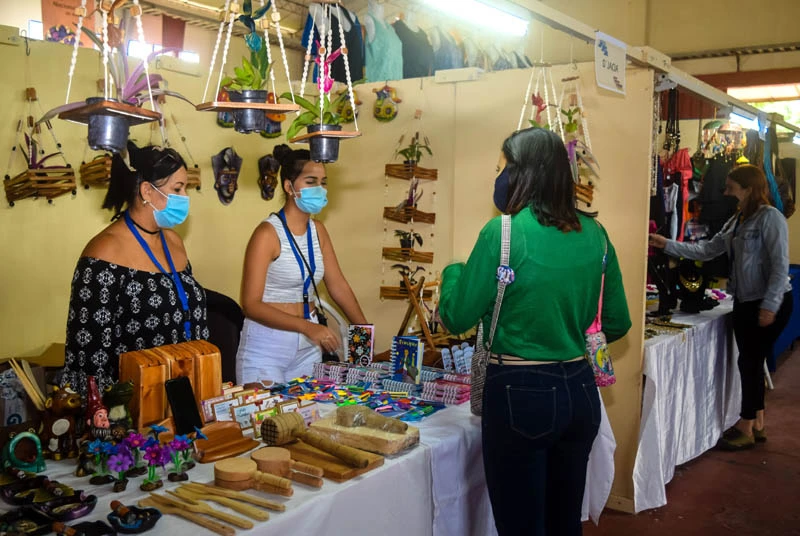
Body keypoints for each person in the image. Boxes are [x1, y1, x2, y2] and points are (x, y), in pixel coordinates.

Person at [438, 128, 631, 536]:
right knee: (564, 520)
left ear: (524, 173)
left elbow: (455, 316)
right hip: (581, 389)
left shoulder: (503, 233)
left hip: (519, 391)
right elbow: (617, 321)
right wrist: (567, 334)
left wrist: (454, 272)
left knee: (521, 523)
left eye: (504, 167)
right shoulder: (595, 234)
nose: (499, 177)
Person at [649, 164, 791, 450]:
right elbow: (708, 249)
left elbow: (779, 266)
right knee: (752, 361)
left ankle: (746, 425)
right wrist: (666, 245)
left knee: (749, 362)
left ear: (748, 188)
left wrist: (770, 305)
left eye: (730, 187)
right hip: (746, 301)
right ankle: (758, 422)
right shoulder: (739, 220)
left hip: (764, 303)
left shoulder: (770, 218)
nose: (725, 192)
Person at [62, 142, 209, 398]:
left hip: (186, 387)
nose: (185, 197)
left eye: (185, 188)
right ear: (146, 191)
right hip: (134, 400)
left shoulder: (173, 241)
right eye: (177, 188)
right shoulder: (103, 252)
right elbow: (89, 352)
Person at [236, 145, 367, 384]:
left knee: (311, 417)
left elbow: (338, 286)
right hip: (268, 348)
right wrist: (307, 328)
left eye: (323, 182)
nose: (320, 189)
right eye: (311, 182)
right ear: (289, 187)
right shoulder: (267, 234)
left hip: (308, 348)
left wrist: (365, 332)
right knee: (270, 421)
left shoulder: (318, 231)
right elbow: (250, 304)